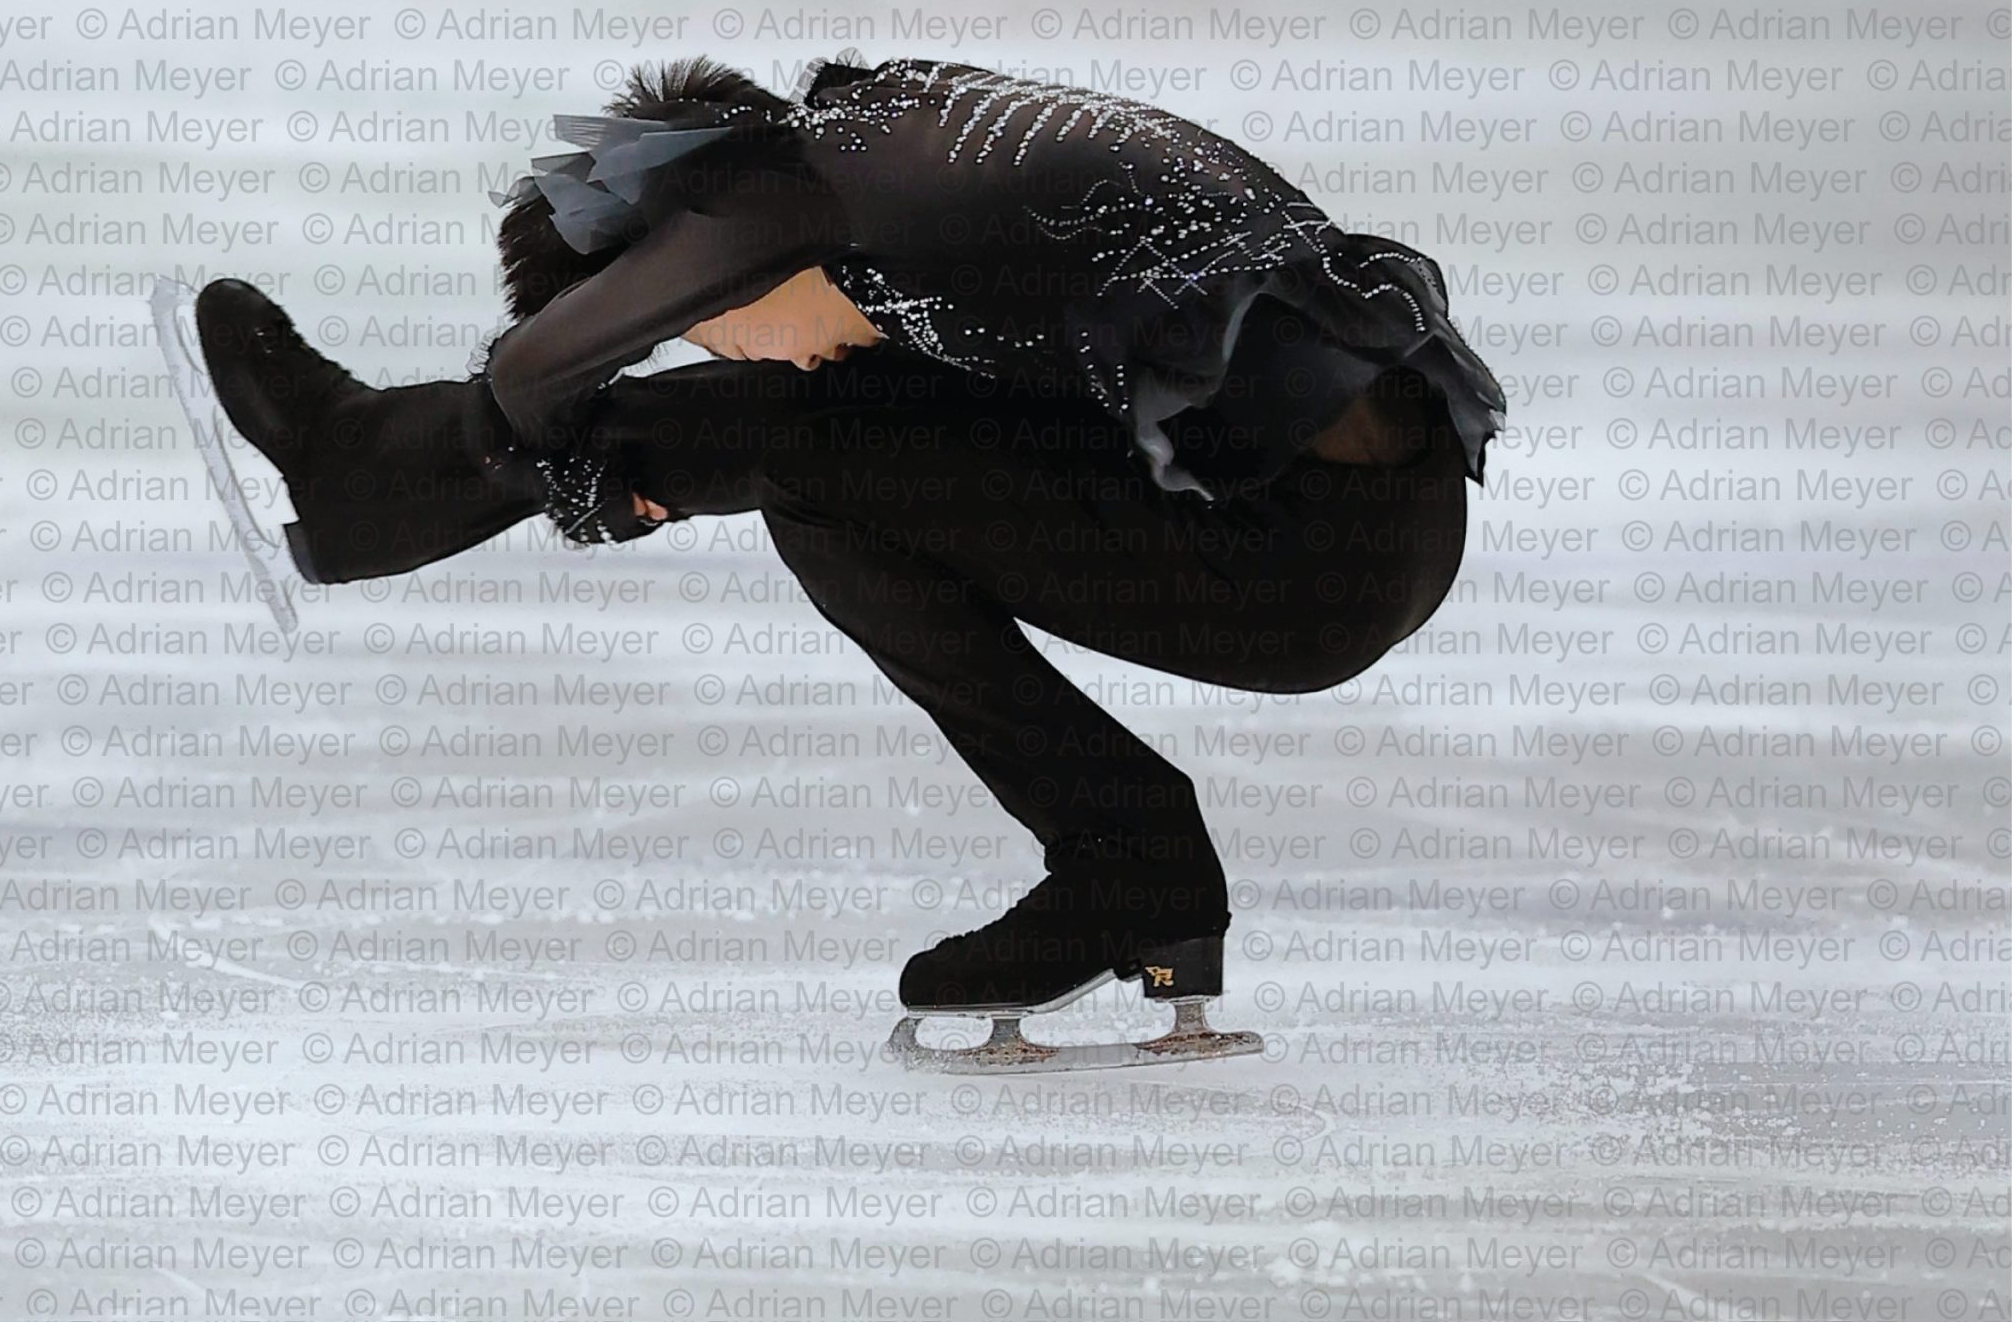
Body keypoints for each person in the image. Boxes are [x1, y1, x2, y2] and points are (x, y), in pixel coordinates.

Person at [190, 53, 1506, 1059]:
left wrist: (560, 451)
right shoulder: (887, 143)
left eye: (703, 324)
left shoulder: (782, 193)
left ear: (681, 257)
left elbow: (538, 375)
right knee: (827, 449)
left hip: (1303, 560)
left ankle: (1126, 860)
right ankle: (1139, 875)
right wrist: (616, 464)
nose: (747, 341)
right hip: (1364, 518)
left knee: (811, 449)